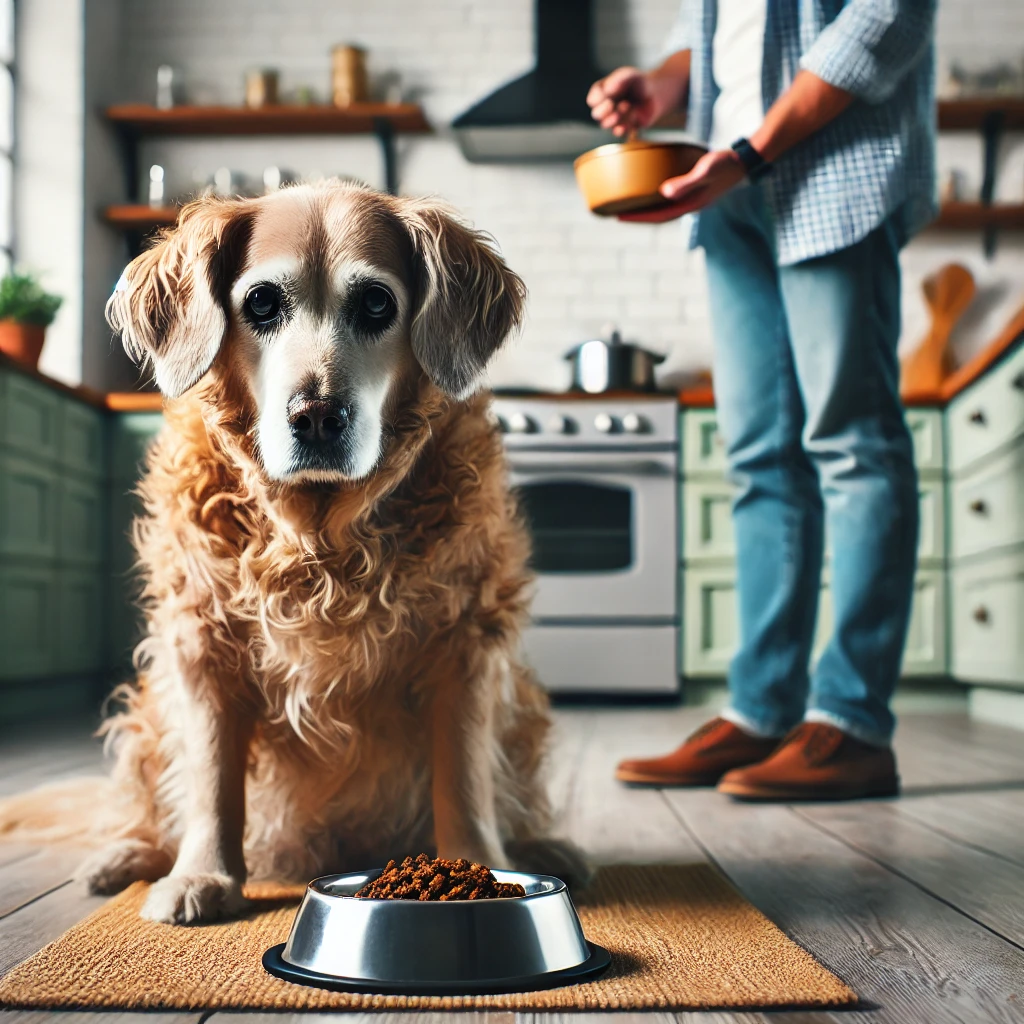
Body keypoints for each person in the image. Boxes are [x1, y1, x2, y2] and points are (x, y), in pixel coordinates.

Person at [589, 0, 936, 800]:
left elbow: (886, 21)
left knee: (853, 447)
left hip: (830, 170)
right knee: (759, 459)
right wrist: (661, 84)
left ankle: (852, 725)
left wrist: (748, 149)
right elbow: (711, 34)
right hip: (731, 191)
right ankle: (761, 712)